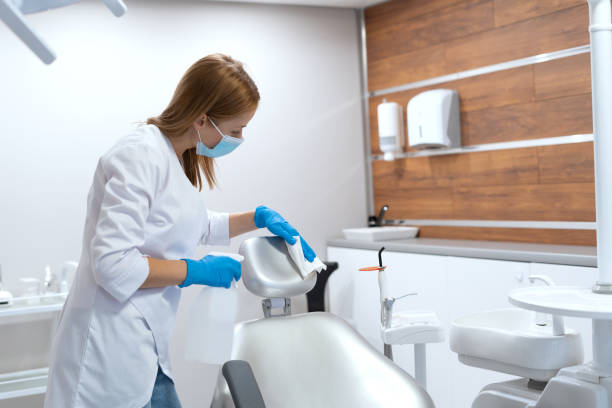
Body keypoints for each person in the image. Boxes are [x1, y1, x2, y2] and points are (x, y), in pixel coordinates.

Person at [44, 54, 316, 408]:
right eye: (235, 130)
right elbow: (113, 265)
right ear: (202, 118)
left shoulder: (171, 155)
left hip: (145, 345)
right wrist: (196, 271)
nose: (239, 139)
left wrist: (258, 217)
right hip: (107, 346)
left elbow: (194, 224)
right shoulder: (139, 155)